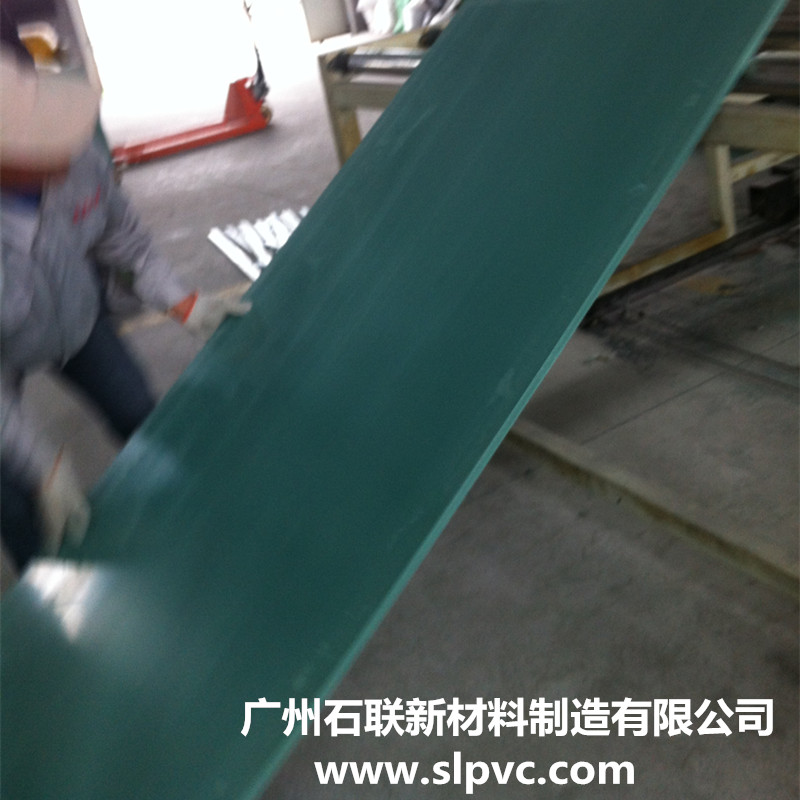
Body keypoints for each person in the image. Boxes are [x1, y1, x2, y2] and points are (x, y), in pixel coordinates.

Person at [0, 14, 251, 572]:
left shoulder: (77, 160)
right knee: (14, 503)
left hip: (75, 316)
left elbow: (124, 241)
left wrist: (183, 301)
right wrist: (42, 468)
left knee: (137, 410)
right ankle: (47, 587)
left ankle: (196, 530)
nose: (65, 152)